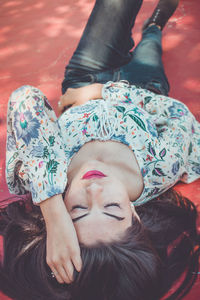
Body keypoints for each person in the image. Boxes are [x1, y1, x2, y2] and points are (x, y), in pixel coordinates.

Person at [1, 0, 200, 299]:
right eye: (112, 209)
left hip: (85, 75)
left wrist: (54, 211)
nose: (94, 191)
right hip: (144, 85)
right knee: (150, 42)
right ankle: (156, 25)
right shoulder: (161, 171)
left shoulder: (45, 180)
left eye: (77, 211)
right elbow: (178, 117)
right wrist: (103, 92)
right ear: (135, 216)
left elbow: (25, 99)